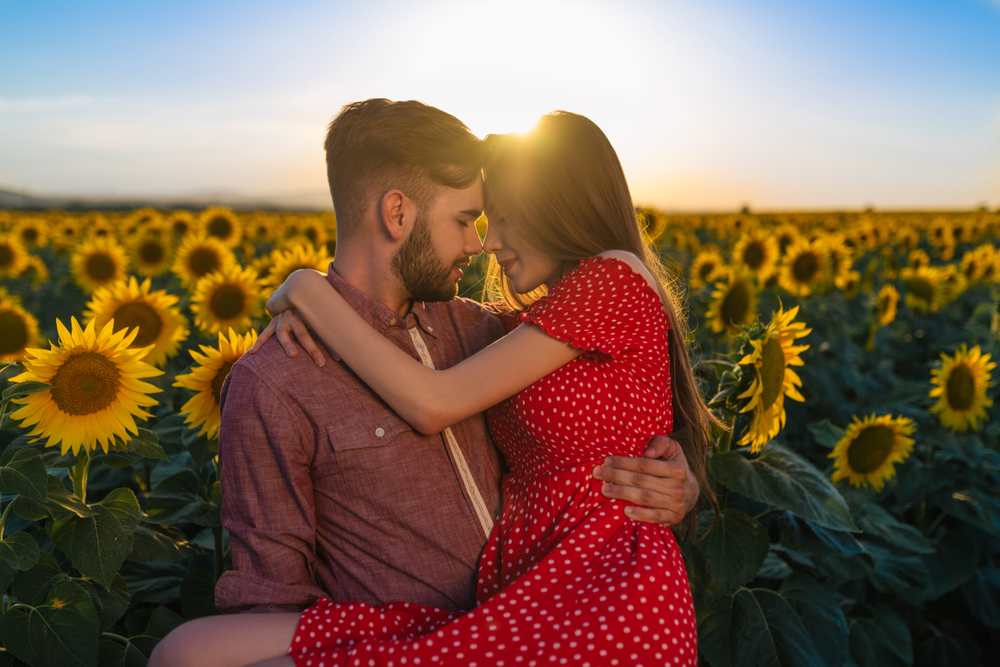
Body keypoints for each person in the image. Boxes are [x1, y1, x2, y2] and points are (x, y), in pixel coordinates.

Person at [150, 100, 702, 667]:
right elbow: (272, 591)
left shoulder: (485, 329)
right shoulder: (277, 377)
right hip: (446, 621)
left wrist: (674, 476)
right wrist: (310, 296)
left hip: (568, 599)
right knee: (182, 653)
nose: (480, 243)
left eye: (488, 221)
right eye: (468, 220)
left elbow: (466, 401)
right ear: (397, 214)